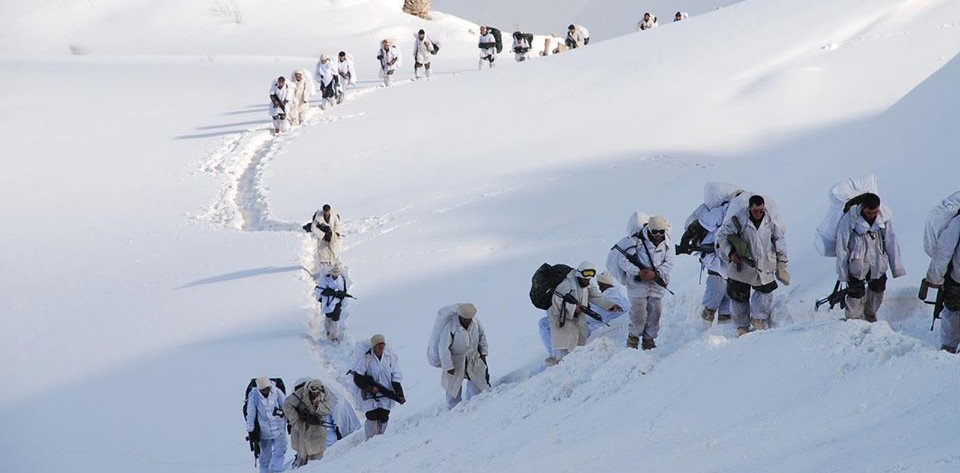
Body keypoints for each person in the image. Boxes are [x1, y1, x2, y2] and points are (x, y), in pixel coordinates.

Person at [717, 195, 790, 336]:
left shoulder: (770, 221)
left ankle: (759, 319)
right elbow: (722, 236)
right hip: (741, 265)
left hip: (764, 264)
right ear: (749, 208)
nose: (758, 213)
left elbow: (779, 240)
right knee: (739, 297)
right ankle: (742, 327)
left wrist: (782, 262)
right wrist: (730, 252)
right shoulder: (738, 220)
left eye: (761, 210)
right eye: (755, 210)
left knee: (765, 292)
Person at [835, 193, 905, 322]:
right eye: (868, 212)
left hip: (878, 259)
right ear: (862, 207)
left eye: (875, 212)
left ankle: (870, 315)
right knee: (856, 292)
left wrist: (896, 268)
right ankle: (853, 320)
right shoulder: (850, 218)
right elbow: (842, 246)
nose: (872, 215)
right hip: (857, 260)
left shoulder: (884, 218)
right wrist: (843, 273)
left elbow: (891, 241)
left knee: (878, 288)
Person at [680, 184, 743, 325]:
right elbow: (704, 223)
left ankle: (724, 322)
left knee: (729, 286)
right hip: (715, 255)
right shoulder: (723, 210)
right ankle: (706, 321)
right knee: (717, 284)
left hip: (729, 257)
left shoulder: (743, 214)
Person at [545, 261, 623, 364]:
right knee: (565, 342)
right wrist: (572, 308)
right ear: (579, 273)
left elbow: (596, 296)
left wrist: (610, 305)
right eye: (586, 275)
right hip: (561, 317)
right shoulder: (566, 285)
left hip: (578, 315)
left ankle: (575, 361)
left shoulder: (587, 284)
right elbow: (556, 303)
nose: (588, 278)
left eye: (590, 276)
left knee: (581, 338)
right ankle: (560, 364)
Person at [615, 215, 675, 349]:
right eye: (655, 232)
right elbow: (623, 261)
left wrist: (657, 273)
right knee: (638, 313)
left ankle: (649, 340)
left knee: (655, 312)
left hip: (657, 284)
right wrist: (638, 272)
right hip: (637, 285)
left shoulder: (668, 243)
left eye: (661, 231)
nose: (658, 235)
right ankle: (633, 339)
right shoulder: (636, 241)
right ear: (649, 229)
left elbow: (669, 262)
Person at [352, 334, 404, 439]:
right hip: (370, 395)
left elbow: (395, 376)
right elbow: (358, 378)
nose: (381, 348)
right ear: (374, 346)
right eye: (378, 345)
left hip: (386, 393)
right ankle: (370, 441)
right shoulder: (367, 358)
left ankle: (380, 440)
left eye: (382, 345)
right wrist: (370, 388)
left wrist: (399, 394)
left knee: (384, 417)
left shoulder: (389, 357)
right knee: (372, 417)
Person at [437, 303, 489, 408]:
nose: (468, 321)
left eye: (469, 318)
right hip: (455, 359)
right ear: (460, 317)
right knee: (453, 387)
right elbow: (443, 348)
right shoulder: (451, 326)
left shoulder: (476, 323)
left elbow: (482, 338)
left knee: (477, 381)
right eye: (465, 319)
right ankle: (453, 408)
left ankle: (474, 404)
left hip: (473, 356)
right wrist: (448, 366)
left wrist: (483, 354)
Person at [925, 207, 960, 353]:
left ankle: (949, 347)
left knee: (952, 311)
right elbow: (943, 251)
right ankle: (948, 348)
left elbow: (943, 251)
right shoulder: (958, 222)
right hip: (957, 278)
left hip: (957, 276)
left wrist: (935, 277)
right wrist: (935, 277)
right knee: (952, 310)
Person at [282, 379, 333, 467]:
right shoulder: (301, 393)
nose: (315, 394)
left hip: (317, 427)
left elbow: (328, 409)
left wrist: (318, 406)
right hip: (302, 427)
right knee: (303, 453)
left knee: (317, 455)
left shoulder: (326, 394)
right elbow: (287, 405)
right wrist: (298, 418)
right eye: (313, 392)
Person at [245, 377, 288, 473]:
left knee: (280, 451)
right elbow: (251, 414)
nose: (265, 391)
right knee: (264, 457)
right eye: (263, 390)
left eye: (267, 389)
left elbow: (286, 406)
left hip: (279, 429)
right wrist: (251, 430)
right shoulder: (254, 395)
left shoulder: (277, 392)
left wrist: (288, 418)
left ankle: (276, 470)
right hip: (264, 432)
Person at [586, 271, 631, 335]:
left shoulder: (607, 298)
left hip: (604, 331)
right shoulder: (622, 296)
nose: (599, 287)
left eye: (599, 285)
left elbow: (589, 317)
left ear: (604, 284)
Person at [315, 266, 350, 343]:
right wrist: (326, 294)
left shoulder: (341, 280)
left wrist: (339, 295)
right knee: (328, 317)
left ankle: (334, 335)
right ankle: (328, 331)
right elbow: (320, 290)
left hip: (336, 302)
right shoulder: (326, 279)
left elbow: (343, 291)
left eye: (336, 275)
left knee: (335, 318)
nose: (335, 276)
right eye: (333, 275)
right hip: (327, 302)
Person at [304, 204, 343, 269]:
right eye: (325, 211)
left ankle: (334, 265)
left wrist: (336, 234)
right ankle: (324, 267)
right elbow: (313, 228)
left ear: (329, 210)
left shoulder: (334, 215)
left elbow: (338, 225)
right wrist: (323, 235)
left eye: (327, 211)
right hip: (322, 235)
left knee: (334, 249)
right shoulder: (318, 216)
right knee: (323, 250)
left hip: (332, 235)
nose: (326, 212)